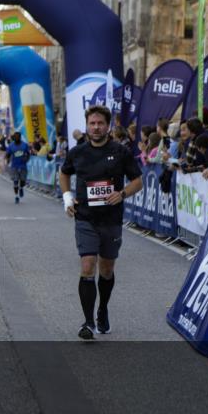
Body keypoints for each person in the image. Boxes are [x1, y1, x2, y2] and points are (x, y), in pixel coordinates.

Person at [59, 105, 142, 340]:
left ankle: (102, 310)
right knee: (87, 266)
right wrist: (67, 198)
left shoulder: (120, 151)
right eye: (92, 123)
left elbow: (138, 181)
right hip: (85, 217)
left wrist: (122, 193)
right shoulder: (78, 152)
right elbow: (64, 173)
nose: (96, 127)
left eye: (100, 123)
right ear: (87, 125)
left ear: (108, 126)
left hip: (111, 219)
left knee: (106, 269)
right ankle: (88, 323)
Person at [5, 132, 31, 204]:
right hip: (14, 166)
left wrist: (26, 159)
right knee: (15, 182)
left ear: (20, 137)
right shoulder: (11, 146)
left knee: (23, 181)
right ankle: (16, 196)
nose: (16, 138)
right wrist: (7, 160)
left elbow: (28, 154)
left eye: (17, 137)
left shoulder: (24, 145)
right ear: (14, 138)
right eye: (15, 137)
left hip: (23, 166)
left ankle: (21, 188)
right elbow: (8, 154)